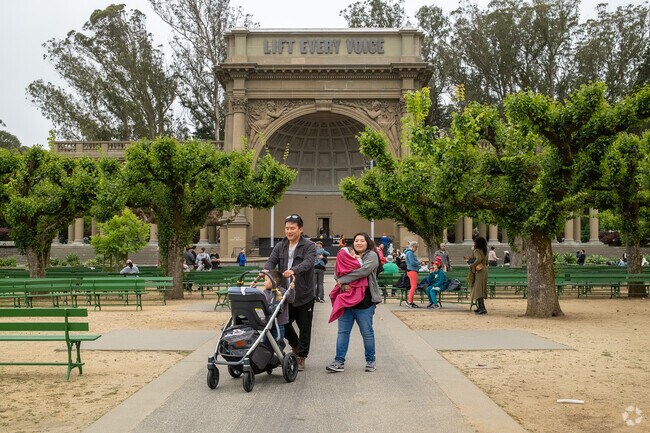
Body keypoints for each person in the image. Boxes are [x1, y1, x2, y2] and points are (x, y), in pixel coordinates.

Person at [263, 214, 316, 372]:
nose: (289, 231)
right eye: (287, 228)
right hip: (284, 294)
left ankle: (301, 356)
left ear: (300, 229)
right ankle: (295, 345)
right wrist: (266, 270)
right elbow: (272, 260)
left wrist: (294, 270)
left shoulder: (309, 246)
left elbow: (308, 262)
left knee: (304, 327)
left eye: (292, 228)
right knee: (283, 322)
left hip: (303, 294)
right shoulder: (281, 245)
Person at [326, 232, 381, 373]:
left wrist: (343, 280)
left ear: (367, 243)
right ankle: (339, 361)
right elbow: (337, 272)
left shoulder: (372, 256)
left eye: (362, 240)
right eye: (356, 240)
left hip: (365, 303)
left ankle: (370, 361)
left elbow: (363, 271)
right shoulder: (346, 255)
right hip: (347, 301)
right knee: (342, 332)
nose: (359, 243)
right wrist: (342, 285)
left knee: (367, 333)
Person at [256, 270, 294, 341]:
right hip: (267, 323)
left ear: (273, 282)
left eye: (266, 280)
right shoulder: (264, 292)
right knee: (266, 341)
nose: (264, 282)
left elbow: (291, 300)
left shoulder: (282, 291)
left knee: (278, 340)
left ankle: (279, 350)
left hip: (279, 323)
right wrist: (253, 288)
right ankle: (267, 351)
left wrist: (291, 289)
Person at [468, 237, 488, 315]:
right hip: (484, 269)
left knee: (478, 289)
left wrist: (471, 265)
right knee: (481, 288)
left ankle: (482, 308)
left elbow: (478, 259)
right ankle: (480, 307)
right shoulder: (485, 250)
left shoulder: (476, 251)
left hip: (479, 271)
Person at [404, 241, 422, 308]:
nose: (416, 249)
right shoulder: (410, 253)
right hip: (412, 271)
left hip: (411, 270)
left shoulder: (408, 252)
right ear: (414, 246)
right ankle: (409, 301)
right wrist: (419, 262)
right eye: (416, 247)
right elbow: (412, 262)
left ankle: (411, 301)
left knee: (413, 287)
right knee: (413, 287)